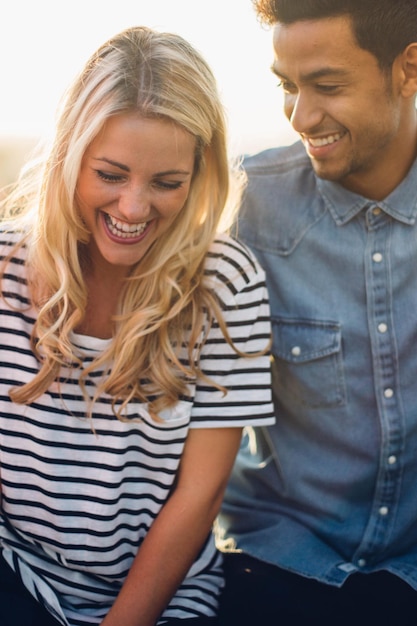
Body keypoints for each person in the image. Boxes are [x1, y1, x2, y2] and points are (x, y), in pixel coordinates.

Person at [0, 26, 274, 626]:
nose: (133, 208)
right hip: (16, 575)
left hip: (160, 599)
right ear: (71, 156)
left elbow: (199, 497)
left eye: (166, 183)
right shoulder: (4, 268)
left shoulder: (225, 284)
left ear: (199, 175)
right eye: (111, 174)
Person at [216, 1, 417, 624]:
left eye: (327, 86)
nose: (301, 116)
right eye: (287, 86)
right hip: (273, 559)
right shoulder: (243, 207)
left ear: (409, 69)